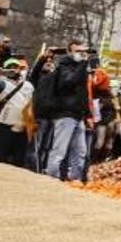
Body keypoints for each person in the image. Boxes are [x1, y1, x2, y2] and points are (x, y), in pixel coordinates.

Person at [43, 41, 91, 181]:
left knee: (80, 151)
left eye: (82, 51)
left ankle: (75, 178)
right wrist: (83, 64)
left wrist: (87, 114)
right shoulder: (63, 66)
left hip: (78, 114)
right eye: (77, 51)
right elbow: (69, 82)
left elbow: (84, 94)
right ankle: (51, 176)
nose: (80, 54)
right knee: (60, 150)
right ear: (69, 52)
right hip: (64, 113)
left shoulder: (81, 69)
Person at [0, 58, 33, 167]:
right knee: (0, 158)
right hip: (3, 124)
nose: (14, 70)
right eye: (10, 67)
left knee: (18, 159)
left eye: (16, 67)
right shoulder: (1, 83)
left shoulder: (28, 85)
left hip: (22, 126)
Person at [90, 68, 118, 163]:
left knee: (107, 142)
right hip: (102, 119)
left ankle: (100, 160)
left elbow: (115, 107)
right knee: (101, 141)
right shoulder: (96, 92)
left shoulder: (110, 94)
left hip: (110, 118)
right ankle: (94, 160)